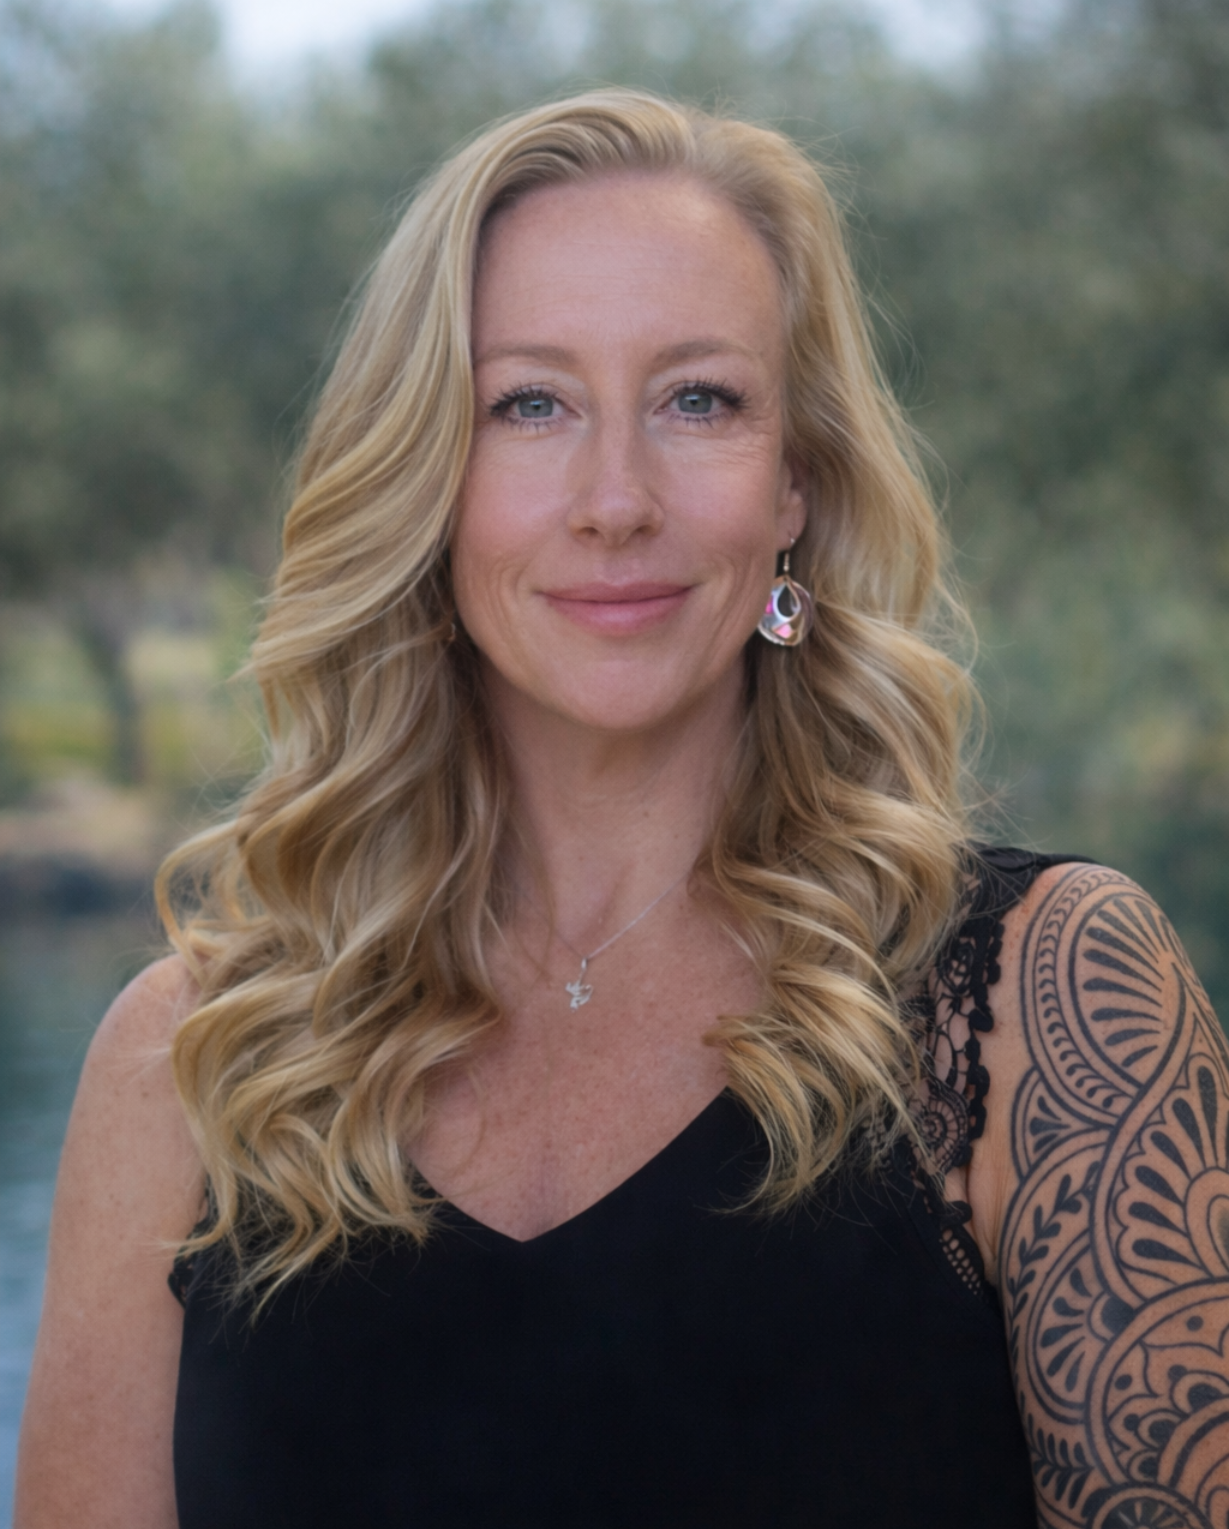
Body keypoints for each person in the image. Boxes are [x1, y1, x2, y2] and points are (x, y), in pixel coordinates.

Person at [15, 89, 1229, 1529]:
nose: (614, 499)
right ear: (428, 479)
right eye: (529, 403)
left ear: (796, 481)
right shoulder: (192, 1061)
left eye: (698, 400)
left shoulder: (1048, 993)